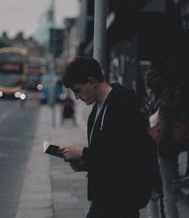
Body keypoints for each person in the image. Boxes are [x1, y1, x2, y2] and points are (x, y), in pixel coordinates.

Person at [59, 57, 156, 218]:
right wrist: (84, 163)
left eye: (77, 90)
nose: (76, 97)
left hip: (122, 197)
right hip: (105, 196)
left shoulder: (123, 104)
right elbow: (105, 152)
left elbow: (124, 156)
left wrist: (84, 153)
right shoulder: (96, 109)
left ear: (92, 81)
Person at [144, 69, 179, 218]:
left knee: (165, 191)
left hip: (161, 154)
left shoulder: (162, 104)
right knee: (157, 191)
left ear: (149, 87)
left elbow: (165, 131)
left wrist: (158, 151)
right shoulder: (155, 102)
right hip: (159, 153)